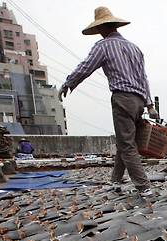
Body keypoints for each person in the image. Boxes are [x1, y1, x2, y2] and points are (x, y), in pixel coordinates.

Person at [58, 6, 158, 196]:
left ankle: (144, 186)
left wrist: (68, 83)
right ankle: (115, 180)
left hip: (122, 98)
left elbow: (86, 67)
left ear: (101, 28)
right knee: (125, 140)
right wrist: (150, 105)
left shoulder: (103, 46)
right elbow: (143, 78)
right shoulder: (134, 48)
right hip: (139, 101)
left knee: (127, 145)